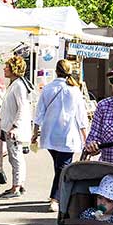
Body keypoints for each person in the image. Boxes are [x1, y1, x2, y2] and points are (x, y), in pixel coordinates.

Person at [35, 59, 90, 212]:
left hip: (50, 134)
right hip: (68, 134)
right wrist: (86, 137)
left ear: (56, 70)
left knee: (60, 167)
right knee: (62, 167)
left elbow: (39, 113)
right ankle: (56, 198)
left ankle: (59, 195)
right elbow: (81, 117)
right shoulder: (74, 90)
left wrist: (35, 132)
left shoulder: (47, 89)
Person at [0, 56, 33, 199]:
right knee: (14, 157)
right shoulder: (15, 84)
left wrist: (15, 126)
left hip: (14, 129)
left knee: (16, 157)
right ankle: (18, 184)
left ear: (14, 69)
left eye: (7, 66)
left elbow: (22, 108)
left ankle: (16, 186)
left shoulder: (18, 85)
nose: (4, 68)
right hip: (11, 126)